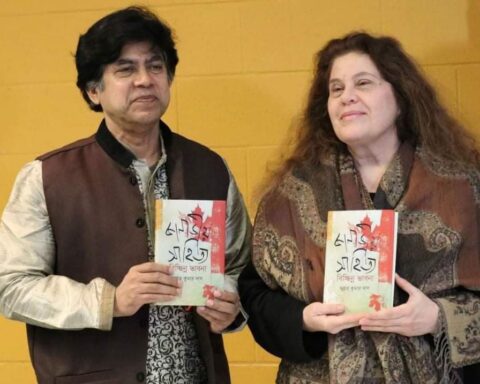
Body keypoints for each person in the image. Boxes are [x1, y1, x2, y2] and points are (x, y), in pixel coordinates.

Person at [0, 6, 251, 384]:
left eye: (155, 66)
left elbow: (242, 269)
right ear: (93, 90)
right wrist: (109, 301)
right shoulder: (46, 177)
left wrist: (230, 306)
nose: (145, 80)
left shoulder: (210, 168)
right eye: (125, 69)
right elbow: (11, 286)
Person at [238, 32, 480, 383]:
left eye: (363, 83)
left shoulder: (463, 186)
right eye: (336, 89)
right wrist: (305, 320)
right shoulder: (291, 194)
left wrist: (437, 318)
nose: (347, 97)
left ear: (401, 96)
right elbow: (255, 295)